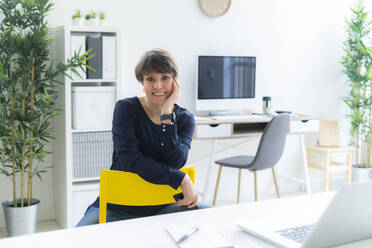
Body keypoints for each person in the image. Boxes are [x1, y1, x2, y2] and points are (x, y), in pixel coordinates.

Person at [77, 49, 206, 226]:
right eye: (150, 79)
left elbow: (176, 161)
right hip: (119, 206)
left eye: (165, 78)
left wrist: (167, 115)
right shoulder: (125, 109)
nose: (158, 86)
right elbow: (131, 160)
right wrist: (181, 179)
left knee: (213, 221)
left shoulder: (185, 119)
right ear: (142, 82)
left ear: (175, 81)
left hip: (165, 206)